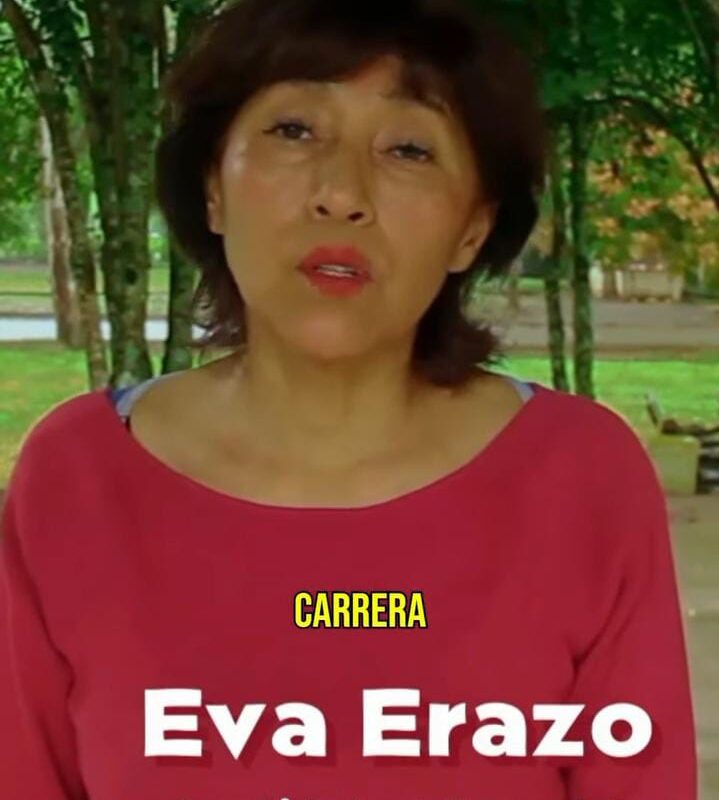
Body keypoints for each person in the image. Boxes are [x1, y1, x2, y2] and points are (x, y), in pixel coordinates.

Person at [0, 1, 697, 798]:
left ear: (472, 229)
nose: (340, 194)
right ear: (213, 187)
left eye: (408, 149)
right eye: (294, 130)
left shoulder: (580, 479)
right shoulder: (79, 478)